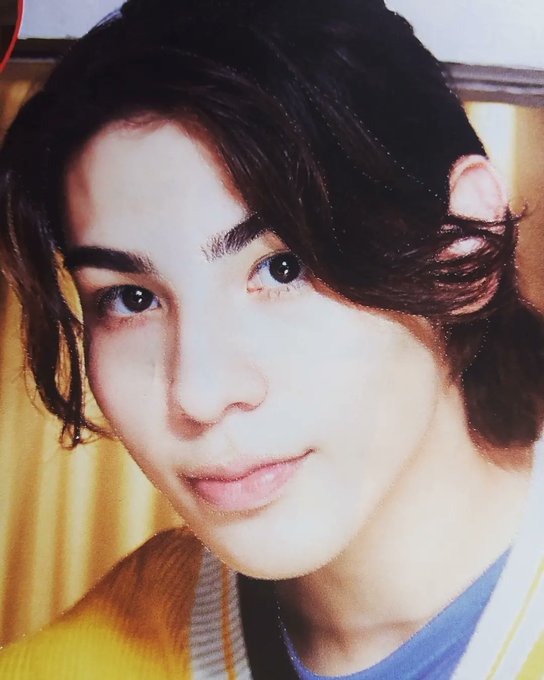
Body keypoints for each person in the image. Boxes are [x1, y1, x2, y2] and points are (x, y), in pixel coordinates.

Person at [0, 0, 543, 677]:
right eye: (131, 299)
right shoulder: (96, 653)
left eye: (284, 268)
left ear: (464, 245)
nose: (199, 394)